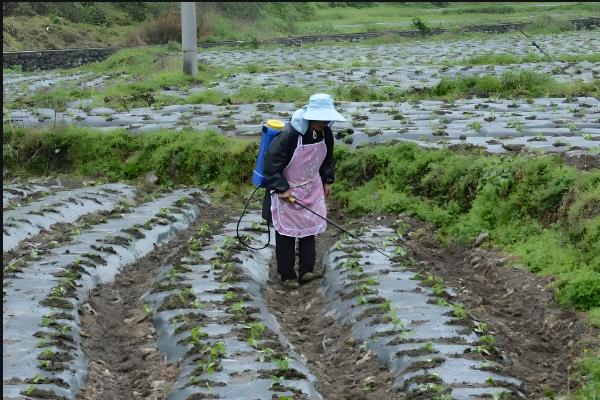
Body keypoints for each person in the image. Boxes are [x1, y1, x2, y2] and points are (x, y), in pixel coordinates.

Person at [261, 93, 346, 289]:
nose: (325, 123)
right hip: (287, 188)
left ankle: (307, 270)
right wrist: (282, 189)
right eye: (321, 119)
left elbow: (327, 159)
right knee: (287, 235)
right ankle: (287, 275)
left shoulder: (326, 133)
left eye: (327, 119)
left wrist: (328, 181)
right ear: (310, 116)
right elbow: (271, 164)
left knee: (309, 228)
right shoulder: (290, 134)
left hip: (311, 187)